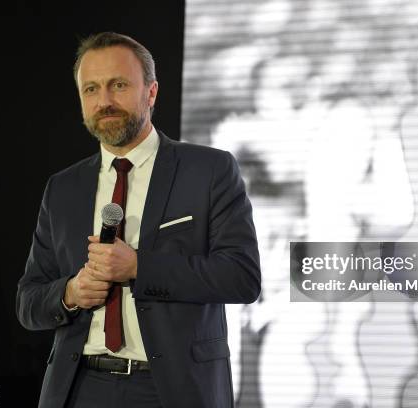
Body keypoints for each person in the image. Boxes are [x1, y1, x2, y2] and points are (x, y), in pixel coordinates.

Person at [16, 32, 261, 408]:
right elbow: (29, 302)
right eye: (91, 89)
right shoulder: (62, 188)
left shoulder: (209, 170)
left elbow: (242, 278)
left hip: (171, 390)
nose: (104, 101)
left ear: (151, 93)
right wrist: (69, 293)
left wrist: (138, 267)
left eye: (118, 85)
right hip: (79, 388)